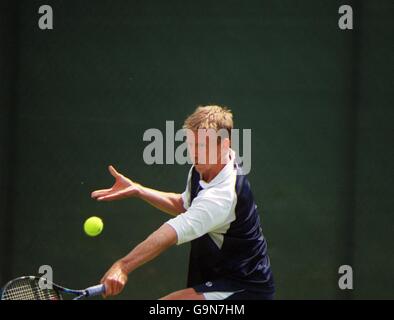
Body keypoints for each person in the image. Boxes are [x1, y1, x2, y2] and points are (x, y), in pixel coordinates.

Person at [92, 105, 275, 300]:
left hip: (244, 290)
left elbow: (170, 233)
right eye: (191, 144)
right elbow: (185, 205)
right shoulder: (205, 168)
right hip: (218, 281)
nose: (194, 153)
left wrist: (123, 266)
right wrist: (139, 190)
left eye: (202, 146)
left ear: (224, 145)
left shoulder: (222, 196)